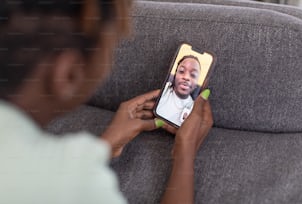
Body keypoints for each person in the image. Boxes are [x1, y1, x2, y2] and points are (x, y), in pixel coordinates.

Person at [0, 1, 213, 204]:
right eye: (111, 51)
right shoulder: (73, 182)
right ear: (68, 74)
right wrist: (185, 152)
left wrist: (105, 145)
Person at [156, 55, 201, 126]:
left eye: (193, 75)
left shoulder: (194, 108)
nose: (186, 77)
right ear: (175, 75)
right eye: (181, 71)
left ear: (196, 85)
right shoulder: (165, 89)